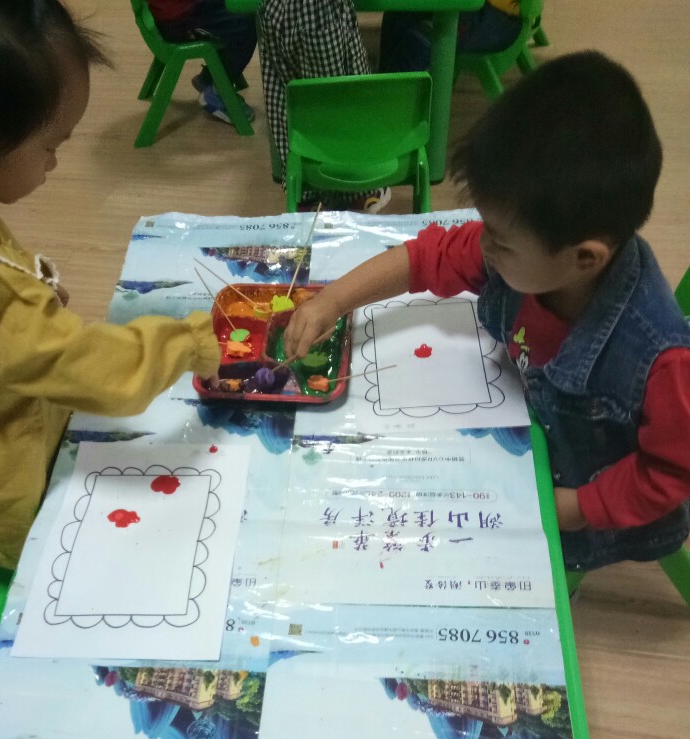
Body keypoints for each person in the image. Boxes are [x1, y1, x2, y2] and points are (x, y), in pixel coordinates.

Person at [283, 51, 690, 572]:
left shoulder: (661, 361)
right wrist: (332, 300)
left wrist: (574, 509)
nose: (484, 245)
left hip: (580, 508)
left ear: (585, 258)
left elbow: (669, 473)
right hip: (521, 437)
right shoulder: (534, 250)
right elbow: (426, 256)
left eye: (499, 239)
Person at [0, 0, 220, 571]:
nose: (53, 164)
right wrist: (192, 340)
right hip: (14, 490)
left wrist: (12, 323)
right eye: (50, 146)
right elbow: (99, 374)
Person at [257, 0, 391, 213]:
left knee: (287, 93)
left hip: (281, 8)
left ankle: (308, 192)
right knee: (333, 98)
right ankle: (353, 190)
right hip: (318, 8)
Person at [146, 0, 257, 125]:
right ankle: (216, 94)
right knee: (246, 24)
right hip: (180, 20)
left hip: (175, 12)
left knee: (244, 8)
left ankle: (208, 78)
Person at [379, 1, 522, 74]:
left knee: (422, 37)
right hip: (466, 8)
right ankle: (384, 90)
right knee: (398, 14)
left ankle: (392, 106)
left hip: (500, 17)